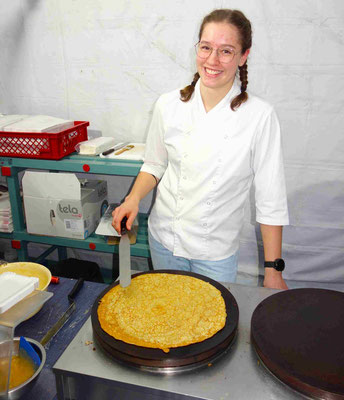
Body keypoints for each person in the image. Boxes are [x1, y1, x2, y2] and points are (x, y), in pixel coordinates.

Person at [112, 9, 289, 289]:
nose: (212, 60)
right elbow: (155, 164)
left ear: (243, 56)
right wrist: (133, 199)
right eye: (206, 48)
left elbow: (271, 200)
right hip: (164, 242)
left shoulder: (259, 116)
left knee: (209, 328)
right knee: (166, 317)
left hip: (214, 253)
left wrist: (273, 270)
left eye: (226, 51)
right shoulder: (168, 105)